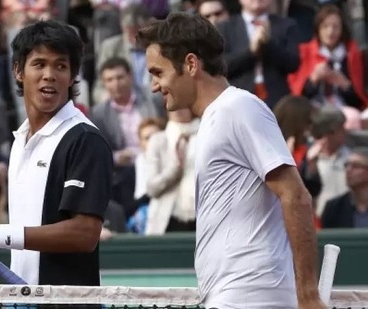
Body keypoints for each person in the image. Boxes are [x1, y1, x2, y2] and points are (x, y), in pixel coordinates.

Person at [137, 12, 325, 309]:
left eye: (158, 73)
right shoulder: (218, 117)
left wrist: (308, 296)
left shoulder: (239, 108)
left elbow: (295, 195)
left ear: (190, 64)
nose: (154, 86)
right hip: (233, 296)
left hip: (252, 296)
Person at [0, 20, 113, 286]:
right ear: (18, 71)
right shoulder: (19, 141)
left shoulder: (85, 139)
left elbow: (85, 234)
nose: (50, 74)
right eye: (39, 64)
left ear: (71, 77)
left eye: (61, 66)